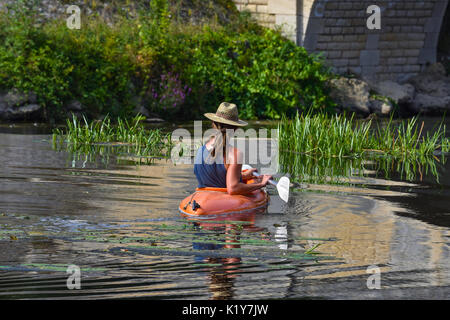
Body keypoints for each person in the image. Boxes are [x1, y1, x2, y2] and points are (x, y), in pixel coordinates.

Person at [194, 102, 272, 195]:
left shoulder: (200, 150)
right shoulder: (235, 154)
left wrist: (244, 175)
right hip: (222, 203)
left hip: (201, 199)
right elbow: (233, 188)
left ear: (213, 124)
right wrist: (261, 184)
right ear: (235, 129)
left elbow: (215, 175)